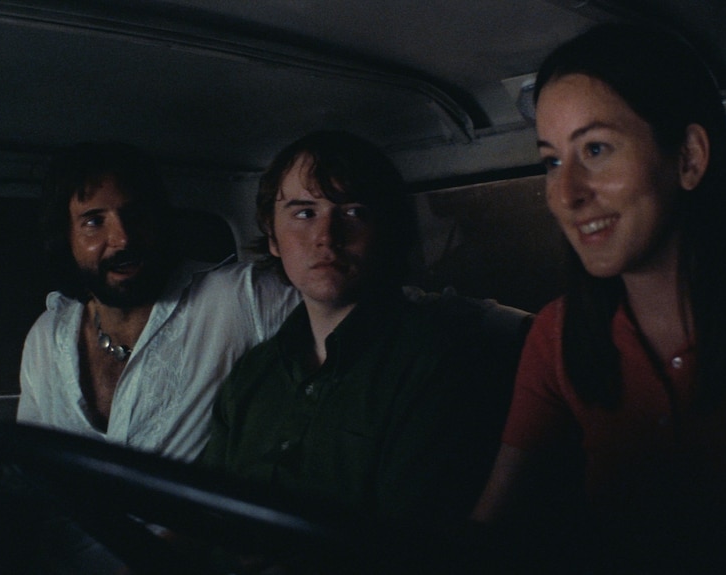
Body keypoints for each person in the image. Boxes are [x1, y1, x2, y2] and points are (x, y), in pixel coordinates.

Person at [471, 23, 726, 573]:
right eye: (551, 161)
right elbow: (489, 532)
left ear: (688, 157)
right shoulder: (558, 335)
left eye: (596, 149)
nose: (566, 194)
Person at [198, 131, 520, 568]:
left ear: (387, 233)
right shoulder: (253, 374)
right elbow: (204, 513)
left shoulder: (435, 362)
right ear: (272, 237)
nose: (326, 237)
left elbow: (403, 547)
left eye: (353, 212)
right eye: (304, 213)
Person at [17, 141, 299, 462]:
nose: (123, 238)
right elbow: (29, 462)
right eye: (94, 221)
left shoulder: (238, 297)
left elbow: (339, 313)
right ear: (65, 237)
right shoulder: (47, 337)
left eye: (135, 214)